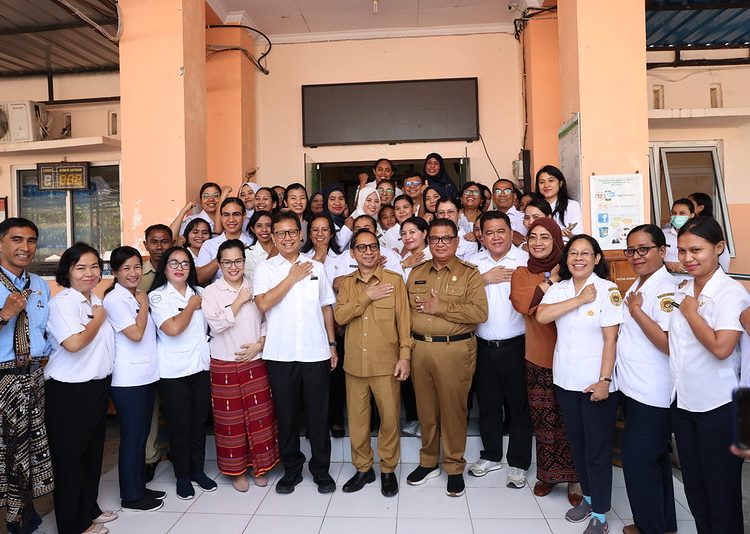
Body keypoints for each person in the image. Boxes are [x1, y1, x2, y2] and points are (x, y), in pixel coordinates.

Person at [536, 235, 623, 534]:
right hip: (565, 380)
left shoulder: (607, 290)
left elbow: (611, 338)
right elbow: (542, 315)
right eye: (573, 253)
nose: (579, 258)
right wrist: (577, 300)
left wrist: (604, 381)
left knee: (598, 449)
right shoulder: (559, 289)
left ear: (597, 259)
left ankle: (600, 512)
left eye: (586, 253)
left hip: (595, 382)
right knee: (579, 445)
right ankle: (587, 497)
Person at [668, 216, 747, 533]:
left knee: (722, 494)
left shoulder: (731, 293)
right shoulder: (683, 288)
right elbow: (674, 345)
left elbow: (721, 348)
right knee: (696, 488)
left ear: (719, 248)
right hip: (684, 403)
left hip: (720, 407)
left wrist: (690, 313)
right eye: (682, 250)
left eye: (696, 250)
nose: (688, 258)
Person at [253, 212, 338, 495]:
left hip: (315, 352)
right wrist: (291, 278)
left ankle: (321, 469)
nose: (287, 238)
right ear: (273, 237)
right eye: (281, 234)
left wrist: (331, 344)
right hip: (281, 354)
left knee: (318, 416)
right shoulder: (265, 269)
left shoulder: (317, 266)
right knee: (287, 415)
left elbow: (327, 306)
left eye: (292, 232)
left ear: (300, 235)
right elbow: (263, 304)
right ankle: (291, 469)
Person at [405, 219, 488, 497]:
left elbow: (479, 314)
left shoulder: (469, 274)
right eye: (435, 239)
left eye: (446, 238)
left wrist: (440, 307)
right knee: (425, 410)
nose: (440, 244)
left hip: (455, 350)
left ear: (456, 242)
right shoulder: (416, 272)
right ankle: (428, 462)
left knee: (453, 411)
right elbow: (405, 314)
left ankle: (454, 466)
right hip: (420, 350)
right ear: (428, 242)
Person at [334, 229, 412, 497]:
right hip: (354, 366)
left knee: (389, 419)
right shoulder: (346, 284)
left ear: (379, 251)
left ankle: (388, 469)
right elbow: (341, 316)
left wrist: (405, 356)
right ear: (353, 253)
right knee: (357, 421)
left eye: (372, 247)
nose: (368, 252)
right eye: (362, 248)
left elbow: (404, 322)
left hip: (386, 364)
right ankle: (363, 469)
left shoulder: (394, 281)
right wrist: (368, 295)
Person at [45, 243, 116, 534]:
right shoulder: (64, 303)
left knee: (91, 454)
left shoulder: (93, 300)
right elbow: (73, 344)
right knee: (70, 461)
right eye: (81, 267)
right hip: (69, 393)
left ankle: (89, 509)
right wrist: (99, 321)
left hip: (95, 389)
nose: (89, 273)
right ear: (68, 271)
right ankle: (72, 525)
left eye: (94, 267)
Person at [509, 218, 580, 504]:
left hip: (574, 356)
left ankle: (576, 478)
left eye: (546, 238)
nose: (538, 243)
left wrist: (558, 277)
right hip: (539, 356)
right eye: (533, 237)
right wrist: (550, 279)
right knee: (543, 417)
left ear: (556, 241)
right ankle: (548, 475)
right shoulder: (522, 273)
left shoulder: (574, 271)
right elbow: (525, 305)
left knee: (572, 419)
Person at [202, 239, 280, 492]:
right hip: (225, 362)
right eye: (227, 262)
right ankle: (237, 471)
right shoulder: (211, 292)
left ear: (244, 262)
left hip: (255, 360)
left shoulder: (255, 286)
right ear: (219, 264)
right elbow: (216, 324)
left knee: (261, 418)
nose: (233, 267)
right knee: (230, 421)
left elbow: (269, 318)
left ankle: (261, 466)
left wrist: (261, 342)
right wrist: (239, 300)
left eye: (238, 261)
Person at [616, 225, 678, 534]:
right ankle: (663, 523)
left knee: (638, 460)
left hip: (652, 392)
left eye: (644, 249)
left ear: (662, 251)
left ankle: (649, 527)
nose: (636, 256)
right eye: (631, 250)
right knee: (655, 459)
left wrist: (638, 311)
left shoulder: (666, 289)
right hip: (635, 388)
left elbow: (668, 343)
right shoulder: (642, 282)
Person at [466, 211, 533, 489]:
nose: (495, 237)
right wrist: (484, 278)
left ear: (511, 232)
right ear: (481, 235)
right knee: (489, 405)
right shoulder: (472, 263)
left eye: (501, 231)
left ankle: (518, 463)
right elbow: (459, 294)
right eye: (489, 232)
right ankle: (491, 455)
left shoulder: (525, 260)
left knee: (519, 406)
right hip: (481, 344)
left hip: (517, 345)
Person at [148, 246, 215, 500]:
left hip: (200, 367)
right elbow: (173, 329)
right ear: (165, 268)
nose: (179, 268)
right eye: (174, 263)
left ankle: (197, 470)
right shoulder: (157, 297)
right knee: (179, 425)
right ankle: (182, 476)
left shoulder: (200, 292)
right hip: (173, 372)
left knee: (198, 423)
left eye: (185, 264)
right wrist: (190, 307)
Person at [0, 218, 53, 534]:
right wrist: (5, 313)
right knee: (9, 450)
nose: (25, 247)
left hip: (34, 376)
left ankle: (26, 509)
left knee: (31, 446)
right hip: (3, 380)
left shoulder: (40, 285)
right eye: (17, 239)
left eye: (31, 240)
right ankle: (12, 518)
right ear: (2, 242)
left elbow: (45, 329)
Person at [103, 246, 164, 512]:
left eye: (137, 267)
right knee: (132, 436)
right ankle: (131, 495)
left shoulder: (134, 296)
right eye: (126, 268)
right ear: (115, 272)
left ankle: (139, 486)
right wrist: (145, 304)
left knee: (140, 435)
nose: (133, 272)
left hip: (145, 375)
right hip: (128, 380)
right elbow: (136, 334)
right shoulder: (115, 300)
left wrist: (142, 301)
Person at [332, 215, 404, 291]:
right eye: (358, 229)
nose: (362, 232)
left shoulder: (390, 255)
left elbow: (399, 284)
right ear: (353, 232)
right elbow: (337, 285)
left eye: (366, 228)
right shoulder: (347, 255)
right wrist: (367, 269)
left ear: (376, 232)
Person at [196, 197, 254, 284]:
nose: (231, 219)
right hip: (218, 295)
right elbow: (199, 278)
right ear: (221, 217)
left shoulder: (252, 243)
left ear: (244, 216)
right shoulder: (210, 245)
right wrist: (222, 255)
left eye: (236, 214)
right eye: (226, 215)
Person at [535, 165, 583, 238]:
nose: (546, 185)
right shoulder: (534, 207)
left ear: (560, 183)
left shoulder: (572, 205)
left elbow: (579, 237)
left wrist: (569, 235)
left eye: (551, 181)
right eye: (542, 182)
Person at [301, 213, 341, 284]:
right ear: (309, 234)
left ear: (331, 234)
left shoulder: (341, 258)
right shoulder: (301, 257)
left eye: (324, 230)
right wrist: (317, 257)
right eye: (315, 230)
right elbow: (301, 285)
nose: (320, 234)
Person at [138, 224, 173, 292]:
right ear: (146, 245)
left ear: (173, 243)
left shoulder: (180, 272)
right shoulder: (137, 273)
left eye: (164, 242)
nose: (159, 247)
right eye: (154, 242)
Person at [492, 178, 526, 245]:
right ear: (492, 197)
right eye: (498, 191)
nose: (502, 195)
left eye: (507, 191)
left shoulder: (524, 217)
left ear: (514, 196)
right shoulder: (487, 218)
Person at [244, 211, 275, 280]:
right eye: (259, 226)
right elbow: (254, 280)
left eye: (268, 225)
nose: (264, 230)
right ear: (253, 229)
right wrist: (274, 252)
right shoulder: (248, 253)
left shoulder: (283, 248)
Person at [323, 185, 352, 251]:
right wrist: (347, 228)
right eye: (332, 199)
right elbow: (335, 249)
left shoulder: (348, 221)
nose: (337, 203)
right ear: (325, 202)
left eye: (341, 199)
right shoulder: (322, 222)